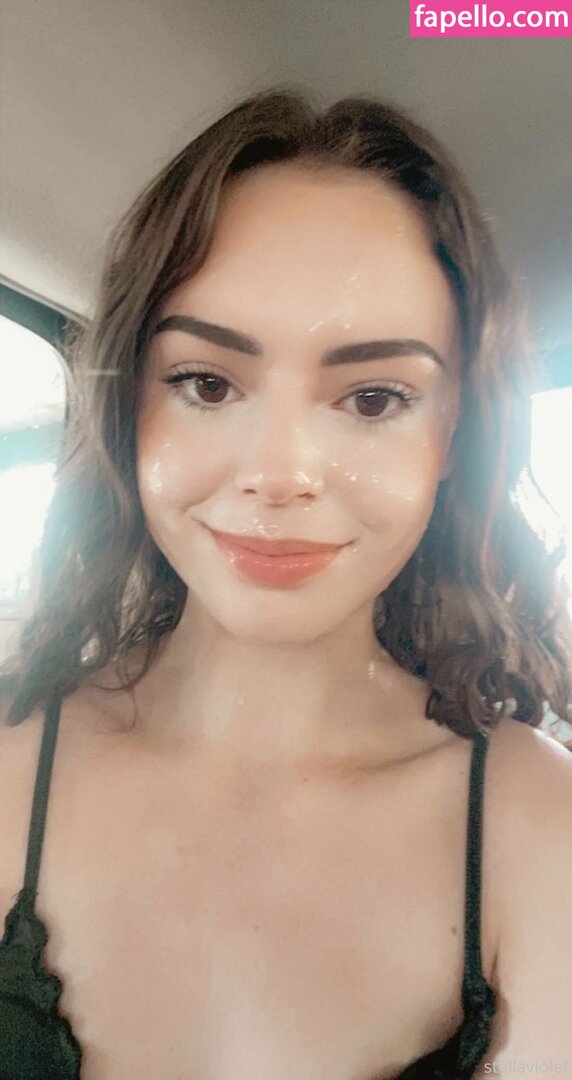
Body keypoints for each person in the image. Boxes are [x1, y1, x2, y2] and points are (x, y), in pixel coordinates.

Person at [0, 86, 571, 1080]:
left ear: (454, 437)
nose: (279, 473)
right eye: (207, 383)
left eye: (373, 398)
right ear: (129, 407)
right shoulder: (8, 766)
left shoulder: (539, 830)